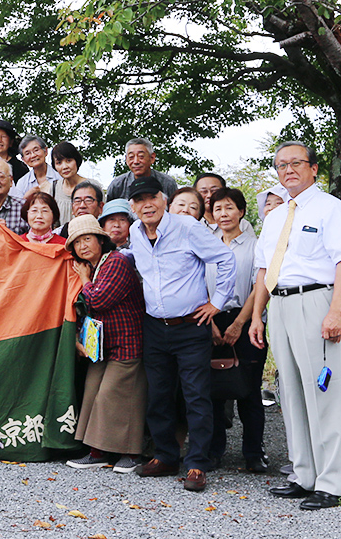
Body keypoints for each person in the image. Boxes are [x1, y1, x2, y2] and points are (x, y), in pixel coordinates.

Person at [249, 141, 341, 510]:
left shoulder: (331, 208)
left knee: (324, 392)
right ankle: (304, 473)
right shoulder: (275, 216)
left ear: (313, 169)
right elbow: (264, 268)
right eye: (281, 165)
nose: (288, 170)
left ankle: (333, 482)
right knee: (291, 392)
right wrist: (256, 315)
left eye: (296, 163)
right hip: (279, 305)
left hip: (317, 302)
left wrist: (335, 311)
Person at [127, 176, 236, 493]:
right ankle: (165, 455)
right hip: (154, 326)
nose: (146, 204)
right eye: (139, 200)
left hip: (191, 326)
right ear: (133, 206)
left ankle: (198, 463)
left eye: (151, 198)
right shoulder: (135, 231)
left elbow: (225, 258)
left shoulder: (188, 228)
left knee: (196, 395)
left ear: (163, 199)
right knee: (158, 394)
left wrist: (217, 302)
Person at [63, 216, 146, 474]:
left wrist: (86, 280)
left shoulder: (117, 261)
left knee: (117, 395)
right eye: (77, 243)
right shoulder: (96, 265)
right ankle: (97, 451)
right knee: (92, 393)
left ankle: (132, 453)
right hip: (101, 345)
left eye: (87, 238)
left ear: (101, 239)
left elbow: (99, 300)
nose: (83, 246)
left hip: (127, 341)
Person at [206, 188, 267, 474]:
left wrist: (239, 323)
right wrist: (213, 325)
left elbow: (260, 287)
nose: (223, 214)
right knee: (214, 391)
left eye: (229, 208)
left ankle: (254, 453)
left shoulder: (256, 245)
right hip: (212, 320)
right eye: (218, 209)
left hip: (248, 320)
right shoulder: (207, 244)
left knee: (250, 390)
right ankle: (214, 451)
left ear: (241, 211)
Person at [106, 138, 179, 201]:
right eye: (131, 157)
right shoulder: (117, 185)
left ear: (152, 158)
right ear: (126, 160)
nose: (136, 161)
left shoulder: (167, 183)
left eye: (141, 156)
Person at [11, 136, 66, 215]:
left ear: (46, 151)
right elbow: (16, 211)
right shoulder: (22, 182)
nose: (33, 155)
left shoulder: (60, 177)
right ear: (24, 160)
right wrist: (26, 198)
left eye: (36, 150)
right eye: (27, 153)